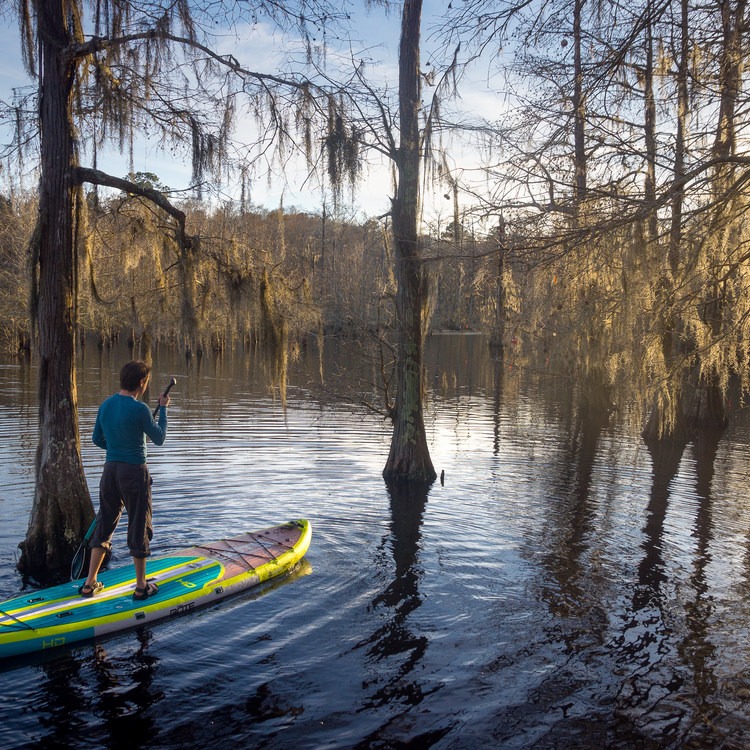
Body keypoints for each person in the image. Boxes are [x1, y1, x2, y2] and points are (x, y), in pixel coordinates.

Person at [80, 360, 171, 600]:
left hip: (110, 471)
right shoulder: (140, 409)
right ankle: (141, 586)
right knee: (139, 524)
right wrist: (163, 409)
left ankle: (90, 583)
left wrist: (116, 448)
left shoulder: (106, 405)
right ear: (141, 383)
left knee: (106, 523)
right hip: (134, 472)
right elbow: (159, 438)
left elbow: (96, 438)